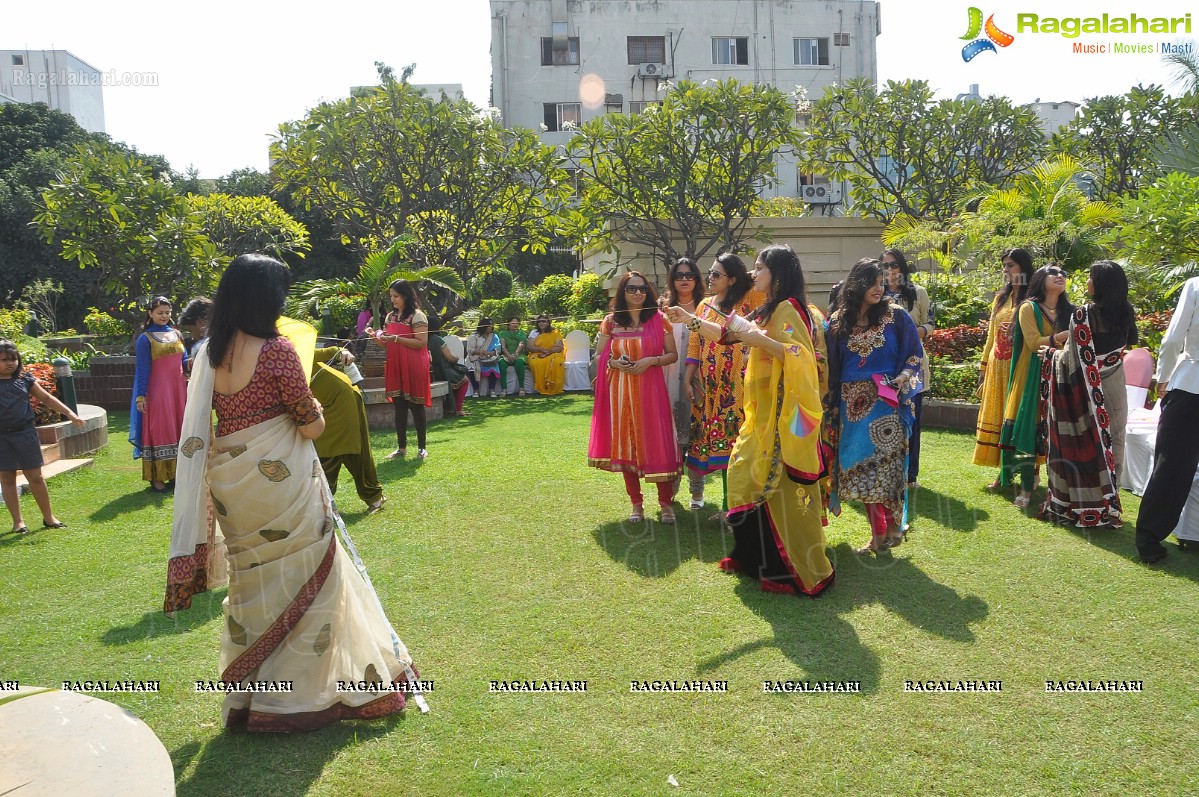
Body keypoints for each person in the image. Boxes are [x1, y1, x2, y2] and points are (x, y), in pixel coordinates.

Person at [166, 253, 423, 731]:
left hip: (232, 483)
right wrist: (315, 409)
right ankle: (301, 697)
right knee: (313, 578)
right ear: (267, 299)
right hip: (280, 483)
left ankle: (255, 699)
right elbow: (311, 424)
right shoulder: (277, 350)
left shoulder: (210, 352)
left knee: (255, 585)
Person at [666, 245, 834, 596]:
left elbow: (801, 356)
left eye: (760, 268)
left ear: (778, 273)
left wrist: (759, 339)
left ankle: (788, 568)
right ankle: (753, 556)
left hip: (780, 413)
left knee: (775, 485)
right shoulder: (769, 307)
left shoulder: (789, 309)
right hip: (759, 412)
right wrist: (691, 321)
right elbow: (729, 337)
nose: (753, 273)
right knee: (743, 473)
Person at [827, 258, 925, 554]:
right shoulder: (837, 321)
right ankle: (881, 531)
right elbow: (832, 367)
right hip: (851, 406)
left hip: (887, 402)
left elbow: (914, 354)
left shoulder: (896, 316)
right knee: (858, 468)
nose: (879, 288)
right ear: (856, 283)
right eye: (873, 282)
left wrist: (904, 377)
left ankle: (888, 530)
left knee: (889, 468)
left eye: (882, 282)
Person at [1039, 261, 1138, 529]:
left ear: (1099, 285)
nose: (1088, 283)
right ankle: (1108, 503)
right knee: (1114, 439)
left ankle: (1079, 503)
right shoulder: (1127, 312)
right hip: (1116, 383)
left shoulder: (1084, 315)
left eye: (1091, 279)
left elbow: (1073, 359)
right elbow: (1128, 344)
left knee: (1085, 440)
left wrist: (1051, 355)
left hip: (1086, 392)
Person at [587, 271, 681, 523]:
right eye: (631, 289)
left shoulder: (660, 320)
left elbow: (672, 355)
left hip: (651, 389)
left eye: (642, 288)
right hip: (620, 390)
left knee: (657, 441)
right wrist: (613, 362)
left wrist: (651, 361)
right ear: (622, 292)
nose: (638, 293)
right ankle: (636, 505)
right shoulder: (610, 321)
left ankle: (666, 504)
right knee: (626, 444)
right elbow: (599, 355)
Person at [683, 253, 764, 515]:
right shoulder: (704, 305)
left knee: (736, 446)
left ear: (732, 279)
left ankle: (735, 507)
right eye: (711, 272)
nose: (710, 278)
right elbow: (695, 344)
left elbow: (763, 298)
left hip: (739, 383)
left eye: (717, 274)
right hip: (711, 386)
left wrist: (749, 276)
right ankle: (731, 506)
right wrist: (688, 378)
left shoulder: (749, 299)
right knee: (718, 445)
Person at [1135, 276, 1199, 564]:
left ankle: (1149, 538)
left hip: (1191, 385)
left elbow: (1173, 337)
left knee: (1171, 466)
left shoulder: (1196, 285)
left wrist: (1164, 375)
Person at [998, 265, 1072, 509]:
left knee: (1056, 431)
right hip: (1030, 375)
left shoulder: (1069, 311)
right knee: (1030, 428)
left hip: (1060, 376)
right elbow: (1032, 343)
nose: (1060, 276)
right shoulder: (1028, 307)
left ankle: (1060, 488)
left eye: (1063, 273)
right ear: (1041, 280)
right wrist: (1064, 337)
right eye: (1054, 273)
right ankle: (1026, 489)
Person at [0, 339, 83, 534]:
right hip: (2, 437)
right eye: (4, 360)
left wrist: (70, 413)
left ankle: (49, 518)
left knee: (35, 476)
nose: (9, 363)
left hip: (25, 434)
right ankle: (18, 522)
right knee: (7, 478)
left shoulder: (25, 379)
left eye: (13, 359)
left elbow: (46, 398)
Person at [974, 249, 1035, 471]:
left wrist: (1017, 332)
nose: (1006, 270)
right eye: (1005, 266)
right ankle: (1003, 472)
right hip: (996, 366)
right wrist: (983, 367)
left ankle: (1031, 472)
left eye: (1010, 265)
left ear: (1023, 267)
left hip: (1020, 367)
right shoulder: (1001, 298)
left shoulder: (1033, 299)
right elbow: (991, 335)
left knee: (1020, 417)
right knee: (999, 418)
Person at [310, 344, 386, 513]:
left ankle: (374, 497)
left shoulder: (294, 350)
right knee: (325, 453)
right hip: (326, 404)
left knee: (351, 450)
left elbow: (329, 351)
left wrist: (342, 353)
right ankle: (322, 503)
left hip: (343, 398)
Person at [881, 248, 933, 488]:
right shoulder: (877, 294)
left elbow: (931, 324)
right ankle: (886, 470)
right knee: (885, 417)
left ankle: (910, 475)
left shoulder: (918, 293)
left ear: (902, 267)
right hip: (885, 363)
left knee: (912, 417)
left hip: (913, 364)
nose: (890, 270)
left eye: (894, 265)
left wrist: (912, 332)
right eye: (885, 266)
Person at [365, 280, 432, 459]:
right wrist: (375, 337)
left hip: (414, 364)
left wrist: (396, 339)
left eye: (396, 296)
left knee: (416, 406)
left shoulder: (418, 316)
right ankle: (401, 448)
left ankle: (422, 448)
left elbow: (421, 342)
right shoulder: (390, 317)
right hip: (395, 363)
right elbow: (387, 344)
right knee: (399, 407)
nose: (392, 300)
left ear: (406, 296)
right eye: (391, 296)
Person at [130, 296, 188, 493]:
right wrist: (141, 396)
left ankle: (177, 474)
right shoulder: (145, 339)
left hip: (179, 390)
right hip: (158, 391)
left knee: (180, 428)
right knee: (161, 428)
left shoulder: (177, 334)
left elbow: (184, 361)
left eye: (167, 312)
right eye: (160, 313)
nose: (164, 316)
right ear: (150, 314)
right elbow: (143, 370)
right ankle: (157, 477)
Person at [661, 257, 704, 506]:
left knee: (697, 434)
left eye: (689, 275)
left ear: (696, 278)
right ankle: (671, 487)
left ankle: (697, 492)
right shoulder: (663, 309)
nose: (684, 279)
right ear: (672, 280)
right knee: (672, 436)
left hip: (697, 379)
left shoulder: (705, 308)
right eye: (679, 275)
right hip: (668, 378)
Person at [428, 315, 470, 417]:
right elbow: (450, 358)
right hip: (444, 370)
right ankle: (458, 409)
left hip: (431, 371)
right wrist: (456, 358)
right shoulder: (437, 339)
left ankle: (450, 409)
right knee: (464, 381)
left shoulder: (421, 339)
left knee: (456, 384)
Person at [527, 315, 566, 395]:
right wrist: (541, 350)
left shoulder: (555, 332)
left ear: (548, 323)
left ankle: (555, 388)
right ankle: (540, 387)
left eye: (543, 321)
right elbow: (529, 347)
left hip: (552, 353)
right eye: (539, 321)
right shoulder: (534, 332)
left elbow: (559, 347)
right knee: (536, 363)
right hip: (536, 353)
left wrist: (549, 352)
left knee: (557, 362)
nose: (541, 323)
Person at [466, 318, 502, 399]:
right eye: (489, 325)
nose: (491, 327)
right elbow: (469, 350)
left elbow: (498, 348)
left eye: (491, 325)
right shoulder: (474, 336)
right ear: (483, 326)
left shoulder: (494, 336)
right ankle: (476, 390)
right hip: (476, 358)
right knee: (472, 369)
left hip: (489, 358)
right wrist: (482, 352)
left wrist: (491, 353)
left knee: (493, 367)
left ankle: (492, 390)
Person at [497, 316, 529, 397]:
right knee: (501, 363)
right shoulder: (503, 334)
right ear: (508, 324)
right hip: (506, 354)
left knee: (519, 362)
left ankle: (521, 388)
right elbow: (503, 346)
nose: (515, 325)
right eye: (513, 323)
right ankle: (504, 389)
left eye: (517, 323)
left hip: (518, 354)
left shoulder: (521, 333)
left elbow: (521, 344)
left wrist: (516, 353)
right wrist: (508, 355)